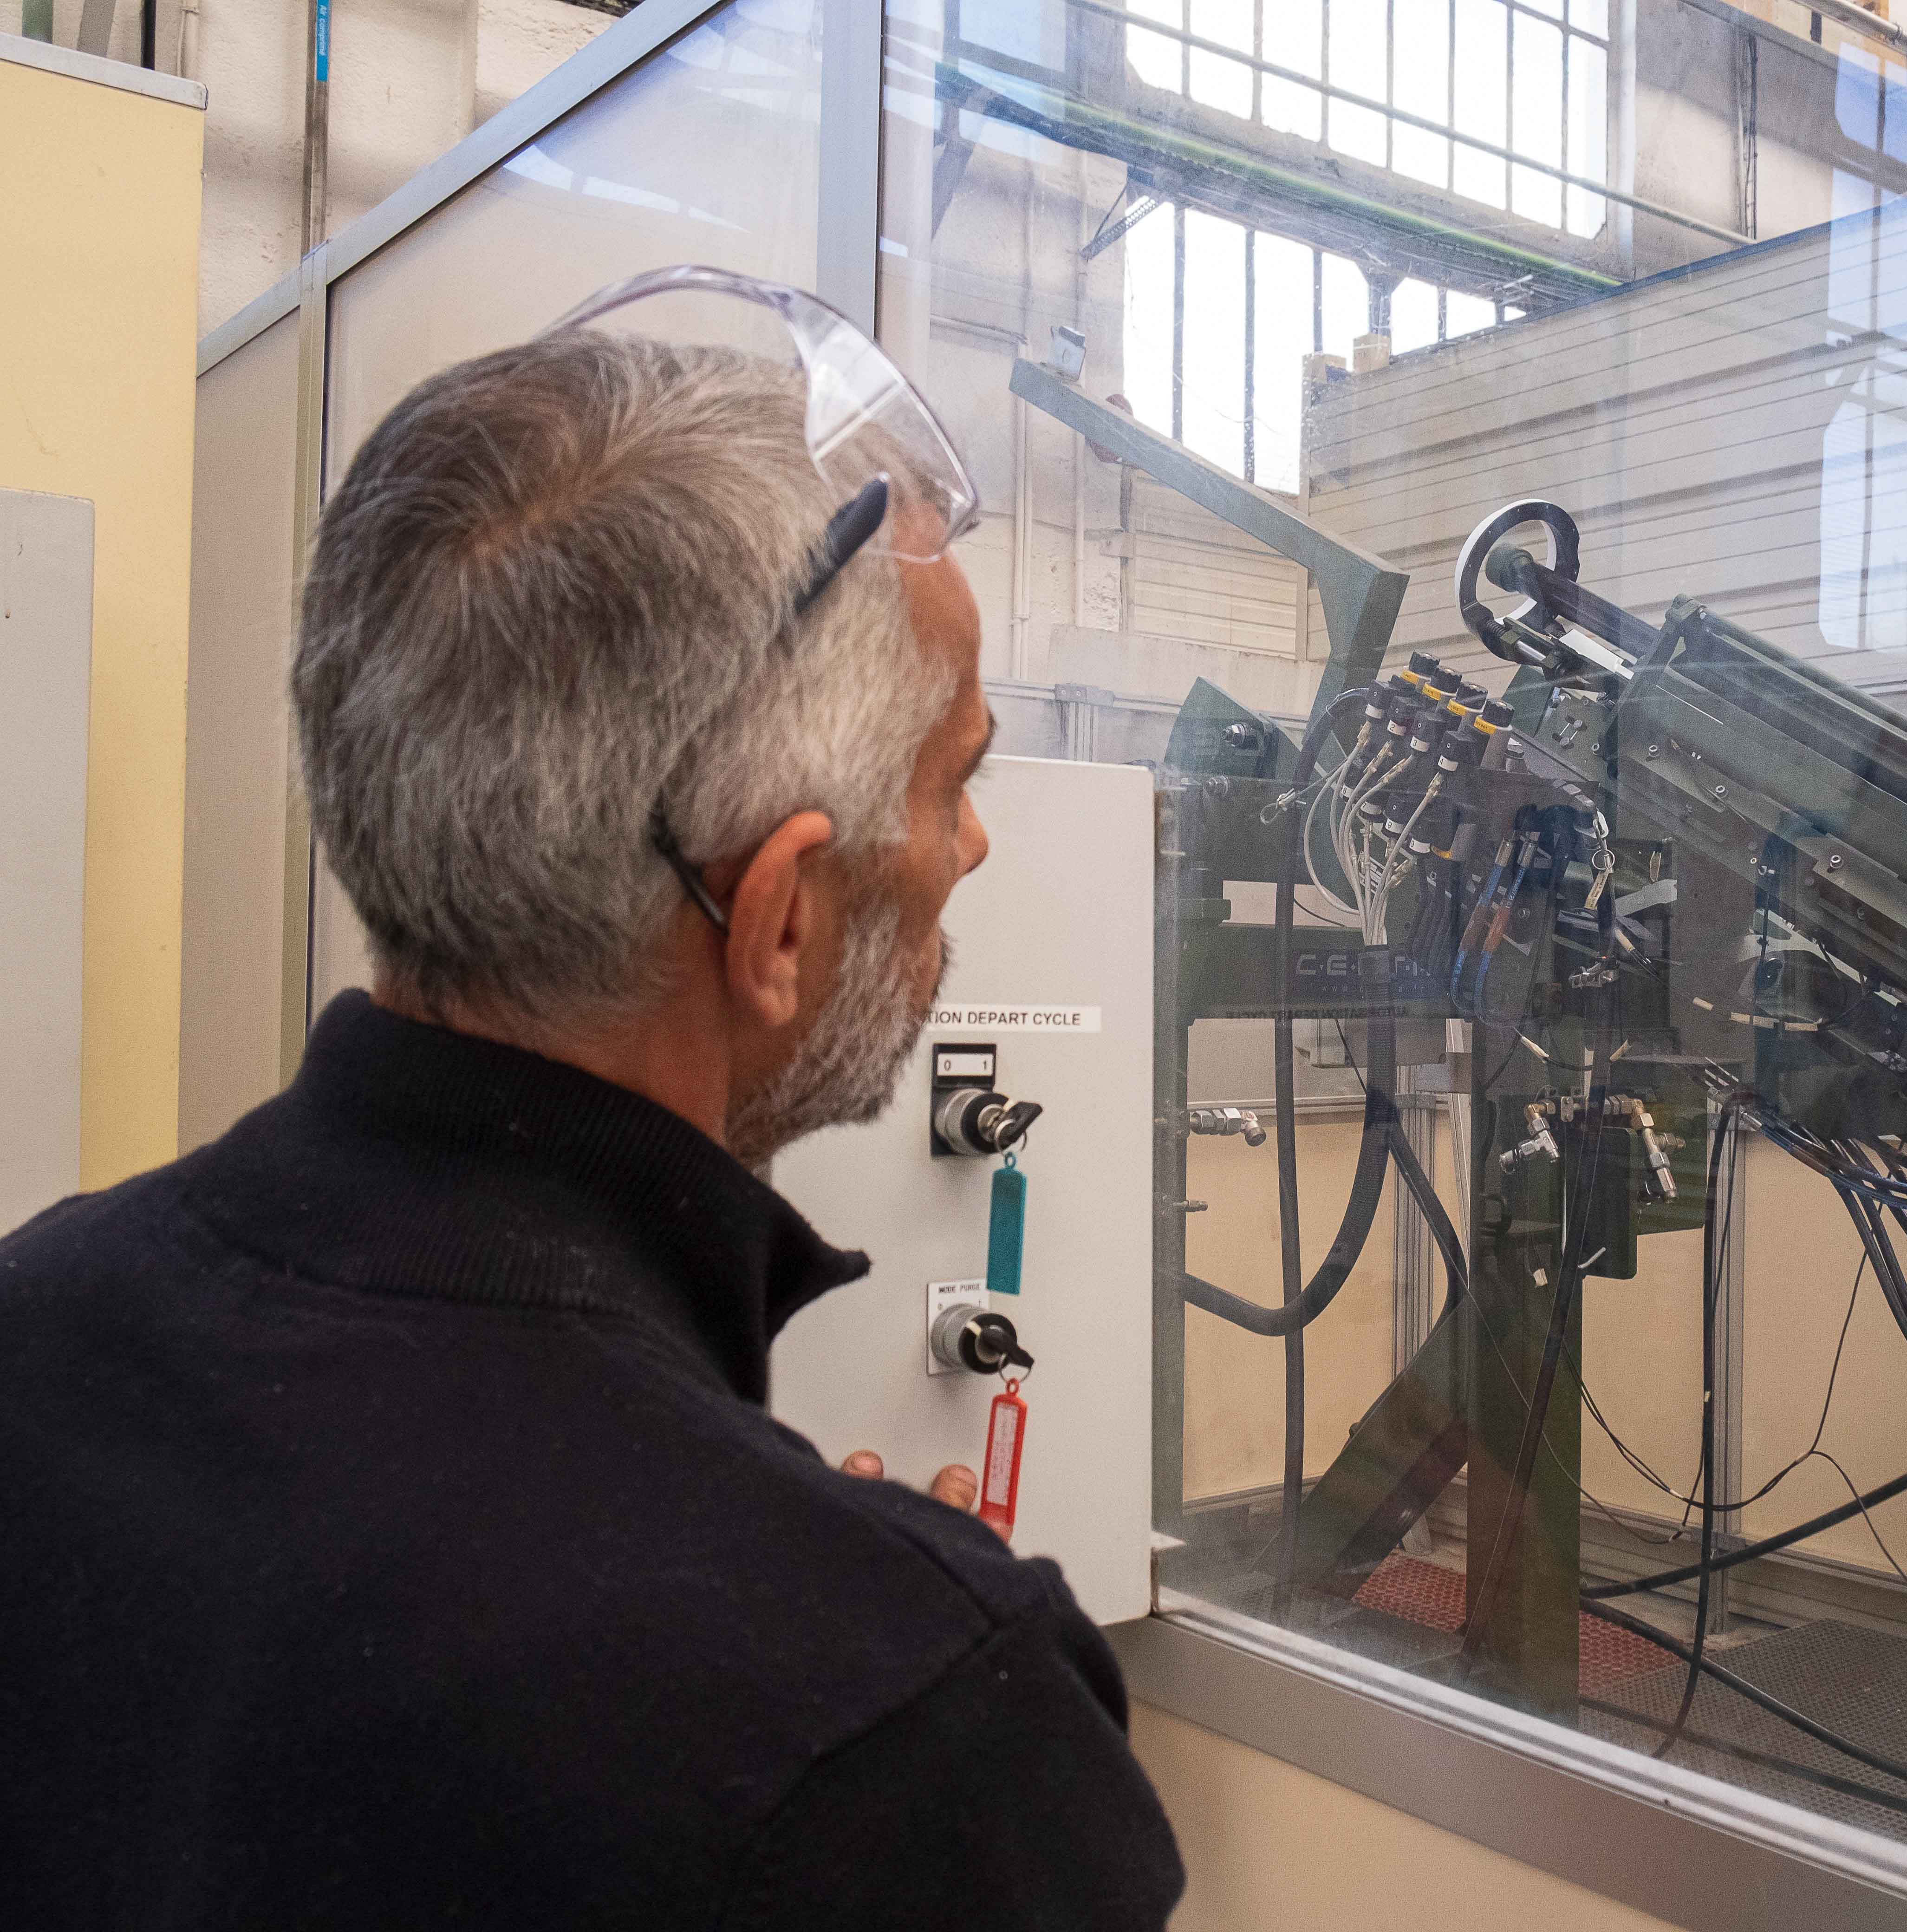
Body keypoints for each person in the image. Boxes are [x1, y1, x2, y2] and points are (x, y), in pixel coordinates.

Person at [0, 273, 1184, 1927]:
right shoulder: (911, 1745)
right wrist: (857, 1618)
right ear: (775, 921)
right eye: (953, 782)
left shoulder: (33, 1325)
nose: (973, 849)